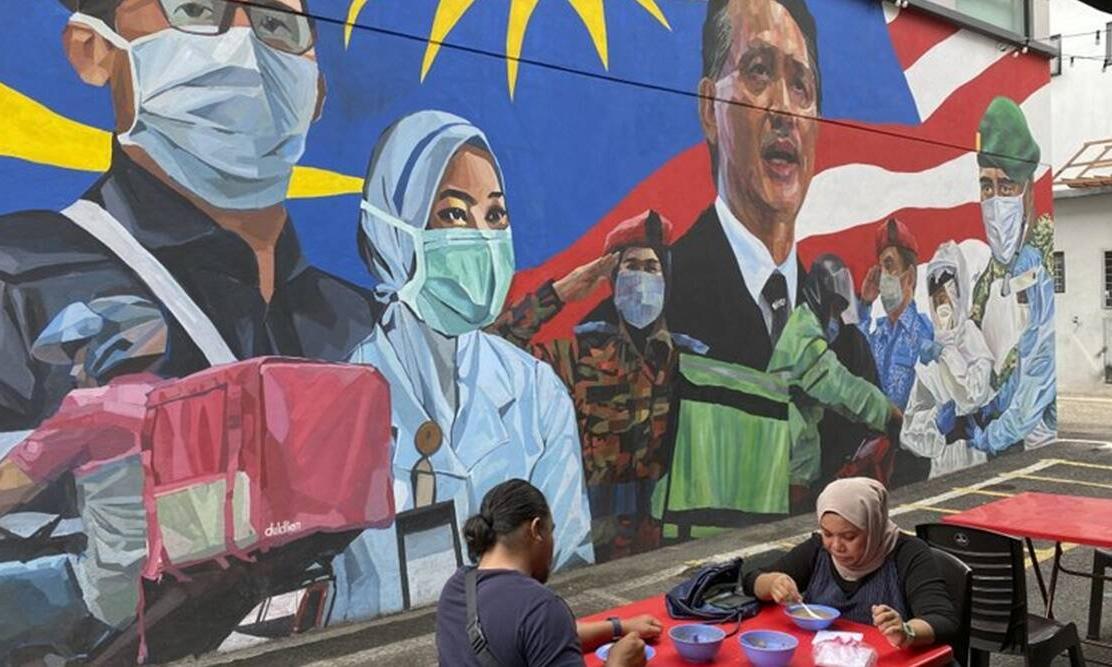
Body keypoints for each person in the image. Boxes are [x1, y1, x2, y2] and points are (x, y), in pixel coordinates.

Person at [0, 0, 375, 434]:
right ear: (93, 50)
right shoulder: (18, 285)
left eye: (276, 24)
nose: (245, 49)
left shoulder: (365, 325)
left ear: (317, 91)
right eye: (195, 10)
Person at [332, 110, 593, 621]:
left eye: (495, 216)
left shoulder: (537, 393)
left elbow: (568, 565)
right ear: (392, 229)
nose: (482, 237)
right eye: (453, 214)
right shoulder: (337, 405)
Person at [492, 210, 707, 562]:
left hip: (670, 544)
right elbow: (497, 348)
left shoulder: (689, 361)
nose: (641, 278)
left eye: (651, 268)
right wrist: (559, 293)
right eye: (631, 267)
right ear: (614, 280)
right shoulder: (581, 358)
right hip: (598, 546)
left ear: (666, 280)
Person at [669, 0, 821, 367]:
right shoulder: (663, 306)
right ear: (710, 108)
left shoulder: (840, 333)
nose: (784, 110)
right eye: (759, 71)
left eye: (800, 85)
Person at [437, 479, 656, 667]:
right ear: (536, 529)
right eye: (551, 531)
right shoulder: (540, 607)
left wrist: (618, 627)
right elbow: (540, 627)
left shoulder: (455, 589)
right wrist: (618, 663)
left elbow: (536, 636)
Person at [744, 477, 958, 649]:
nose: (836, 546)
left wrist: (906, 632)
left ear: (873, 526)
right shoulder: (818, 549)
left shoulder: (908, 553)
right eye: (828, 533)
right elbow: (750, 580)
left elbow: (943, 620)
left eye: (849, 536)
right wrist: (773, 583)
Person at [766, 261, 900, 511]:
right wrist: (886, 412)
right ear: (820, 297)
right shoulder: (803, 334)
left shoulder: (806, 327)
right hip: (785, 457)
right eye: (834, 309)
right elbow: (836, 384)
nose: (836, 319)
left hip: (797, 460)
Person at [967, 97, 1056, 454]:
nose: (995, 200)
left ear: (1028, 191)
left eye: (1006, 187)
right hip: (1003, 437)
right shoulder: (987, 278)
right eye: (986, 187)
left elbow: (1037, 372)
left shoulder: (1040, 268)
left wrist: (989, 437)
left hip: (1034, 447)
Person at [902, 242, 995, 478]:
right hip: (942, 467)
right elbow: (909, 431)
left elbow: (974, 393)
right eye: (935, 291)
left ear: (960, 291)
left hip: (974, 457)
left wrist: (946, 354)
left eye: (948, 287)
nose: (941, 299)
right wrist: (935, 423)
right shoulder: (928, 357)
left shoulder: (972, 339)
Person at [857, 217, 934, 485]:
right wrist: (864, 304)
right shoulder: (877, 333)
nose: (884, 276)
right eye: (880, 268)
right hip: (875, 453)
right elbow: (851, 359)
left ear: (909, 276)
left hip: (909, 456)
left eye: (889, 266)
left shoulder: (924, 334)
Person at [808, 255, 886, 488]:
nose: (834, 317)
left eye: (839, 308)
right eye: (830, 307)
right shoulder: (801, 344)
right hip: (811, 464)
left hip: (848, 463)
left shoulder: (852, 341)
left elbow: (873, 399)